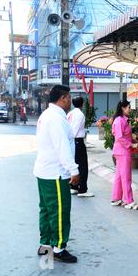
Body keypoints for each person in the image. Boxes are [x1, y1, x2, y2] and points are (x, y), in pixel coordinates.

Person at [33, 85, 80, 263]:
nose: (70, 101)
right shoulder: (56, 119)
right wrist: (74, 170)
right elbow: (63, 148)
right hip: (55, 173)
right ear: (62, 98)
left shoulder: (47, 115)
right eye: (68, 97)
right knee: (60, 211)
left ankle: (45, 244)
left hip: (45, 171)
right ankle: (59, 248)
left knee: (46, 210)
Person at [111, 100, 138, 210]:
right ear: (123, 108)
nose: (130, 109)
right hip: (123, 152)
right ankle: (129, 201)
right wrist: (131, 145)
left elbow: (122, 134)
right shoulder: (119, 120)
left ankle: (116, 198)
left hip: (121, 151)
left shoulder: (122, 120)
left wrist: (131, 136)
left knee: (119, 176)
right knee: (126, 177)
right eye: (128, 107)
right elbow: (119, 137)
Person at [67, 96, 94, 197]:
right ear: (82, 104)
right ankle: (82, 189)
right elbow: (75, 129)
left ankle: (74, 187)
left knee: (75, 164)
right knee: (83, 166)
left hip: (72, 141)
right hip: (77, 141)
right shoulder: (80, 114)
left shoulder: (70, 113)